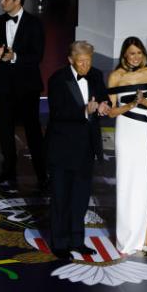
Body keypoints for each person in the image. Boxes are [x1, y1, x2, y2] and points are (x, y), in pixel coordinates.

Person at [45, 41, 108, 258]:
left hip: (86, 148)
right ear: (71, 60)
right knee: (61, 197)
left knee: (80, 198)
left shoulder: (97, 75)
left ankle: (77, 240)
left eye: (88, 61)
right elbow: (58, 112)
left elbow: (104, 98)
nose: (85, 66)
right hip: (62, 148)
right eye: (80, 61)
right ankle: (60, 243)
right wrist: (84, 110)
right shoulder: (57, 80)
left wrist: (103, 106)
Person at [106, 37, 147, 255]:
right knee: (127, 180)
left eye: (139, 53)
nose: (136, 57)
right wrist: (131, 104)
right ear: (124, 55)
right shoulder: (116, 76)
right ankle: (128, 238)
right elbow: (111, 112)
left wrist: (143, 102)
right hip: (126, 128)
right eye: (132, 53)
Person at [0, 0, 47, 188]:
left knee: (33, 131)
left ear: (18, 1)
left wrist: (14, 56)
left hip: (27, 86)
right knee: (4, 130)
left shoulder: (34, 23)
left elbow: (37, 55)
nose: (2, 2)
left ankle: (42, 174)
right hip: (3, 86)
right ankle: (8, 171)